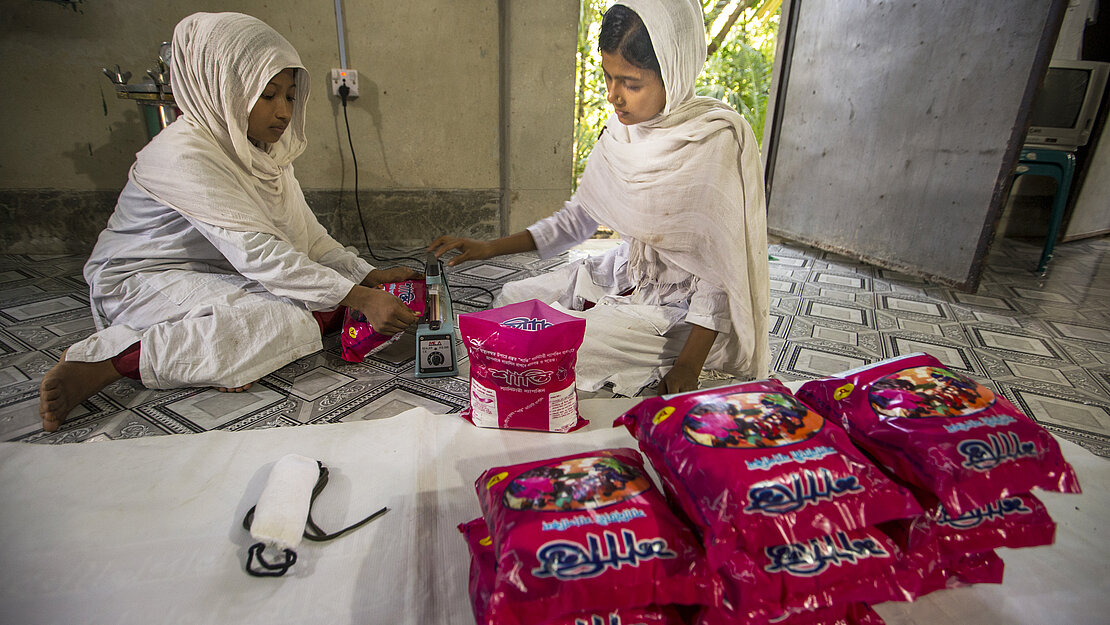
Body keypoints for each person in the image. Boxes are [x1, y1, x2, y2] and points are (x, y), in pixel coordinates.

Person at [38, 12, 419, 433]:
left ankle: (217, 355)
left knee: (300, 307)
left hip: (222, 269)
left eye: (291, 96)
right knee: (288, 317)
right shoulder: (184, 154)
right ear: (227, 89)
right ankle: (107, 362)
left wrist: (367, 275)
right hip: (141, 280)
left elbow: (308, 236)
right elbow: (260, 253)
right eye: (268, 95)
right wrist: (361, 298)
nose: (284, 111)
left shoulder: (262, 151)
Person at [429, 0, 769, 396]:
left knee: (566, 345)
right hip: (629, 274)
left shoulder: (714, 141)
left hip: (685, 315)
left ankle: (608, 332)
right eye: (608, 77)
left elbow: (719, 278)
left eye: (631, 83)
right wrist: (490, 248)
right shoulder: (621, 132)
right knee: (511, 299)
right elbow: (576, 221)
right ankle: (591, 317)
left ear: (673, 74)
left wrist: (688, 367)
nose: (613, 96)